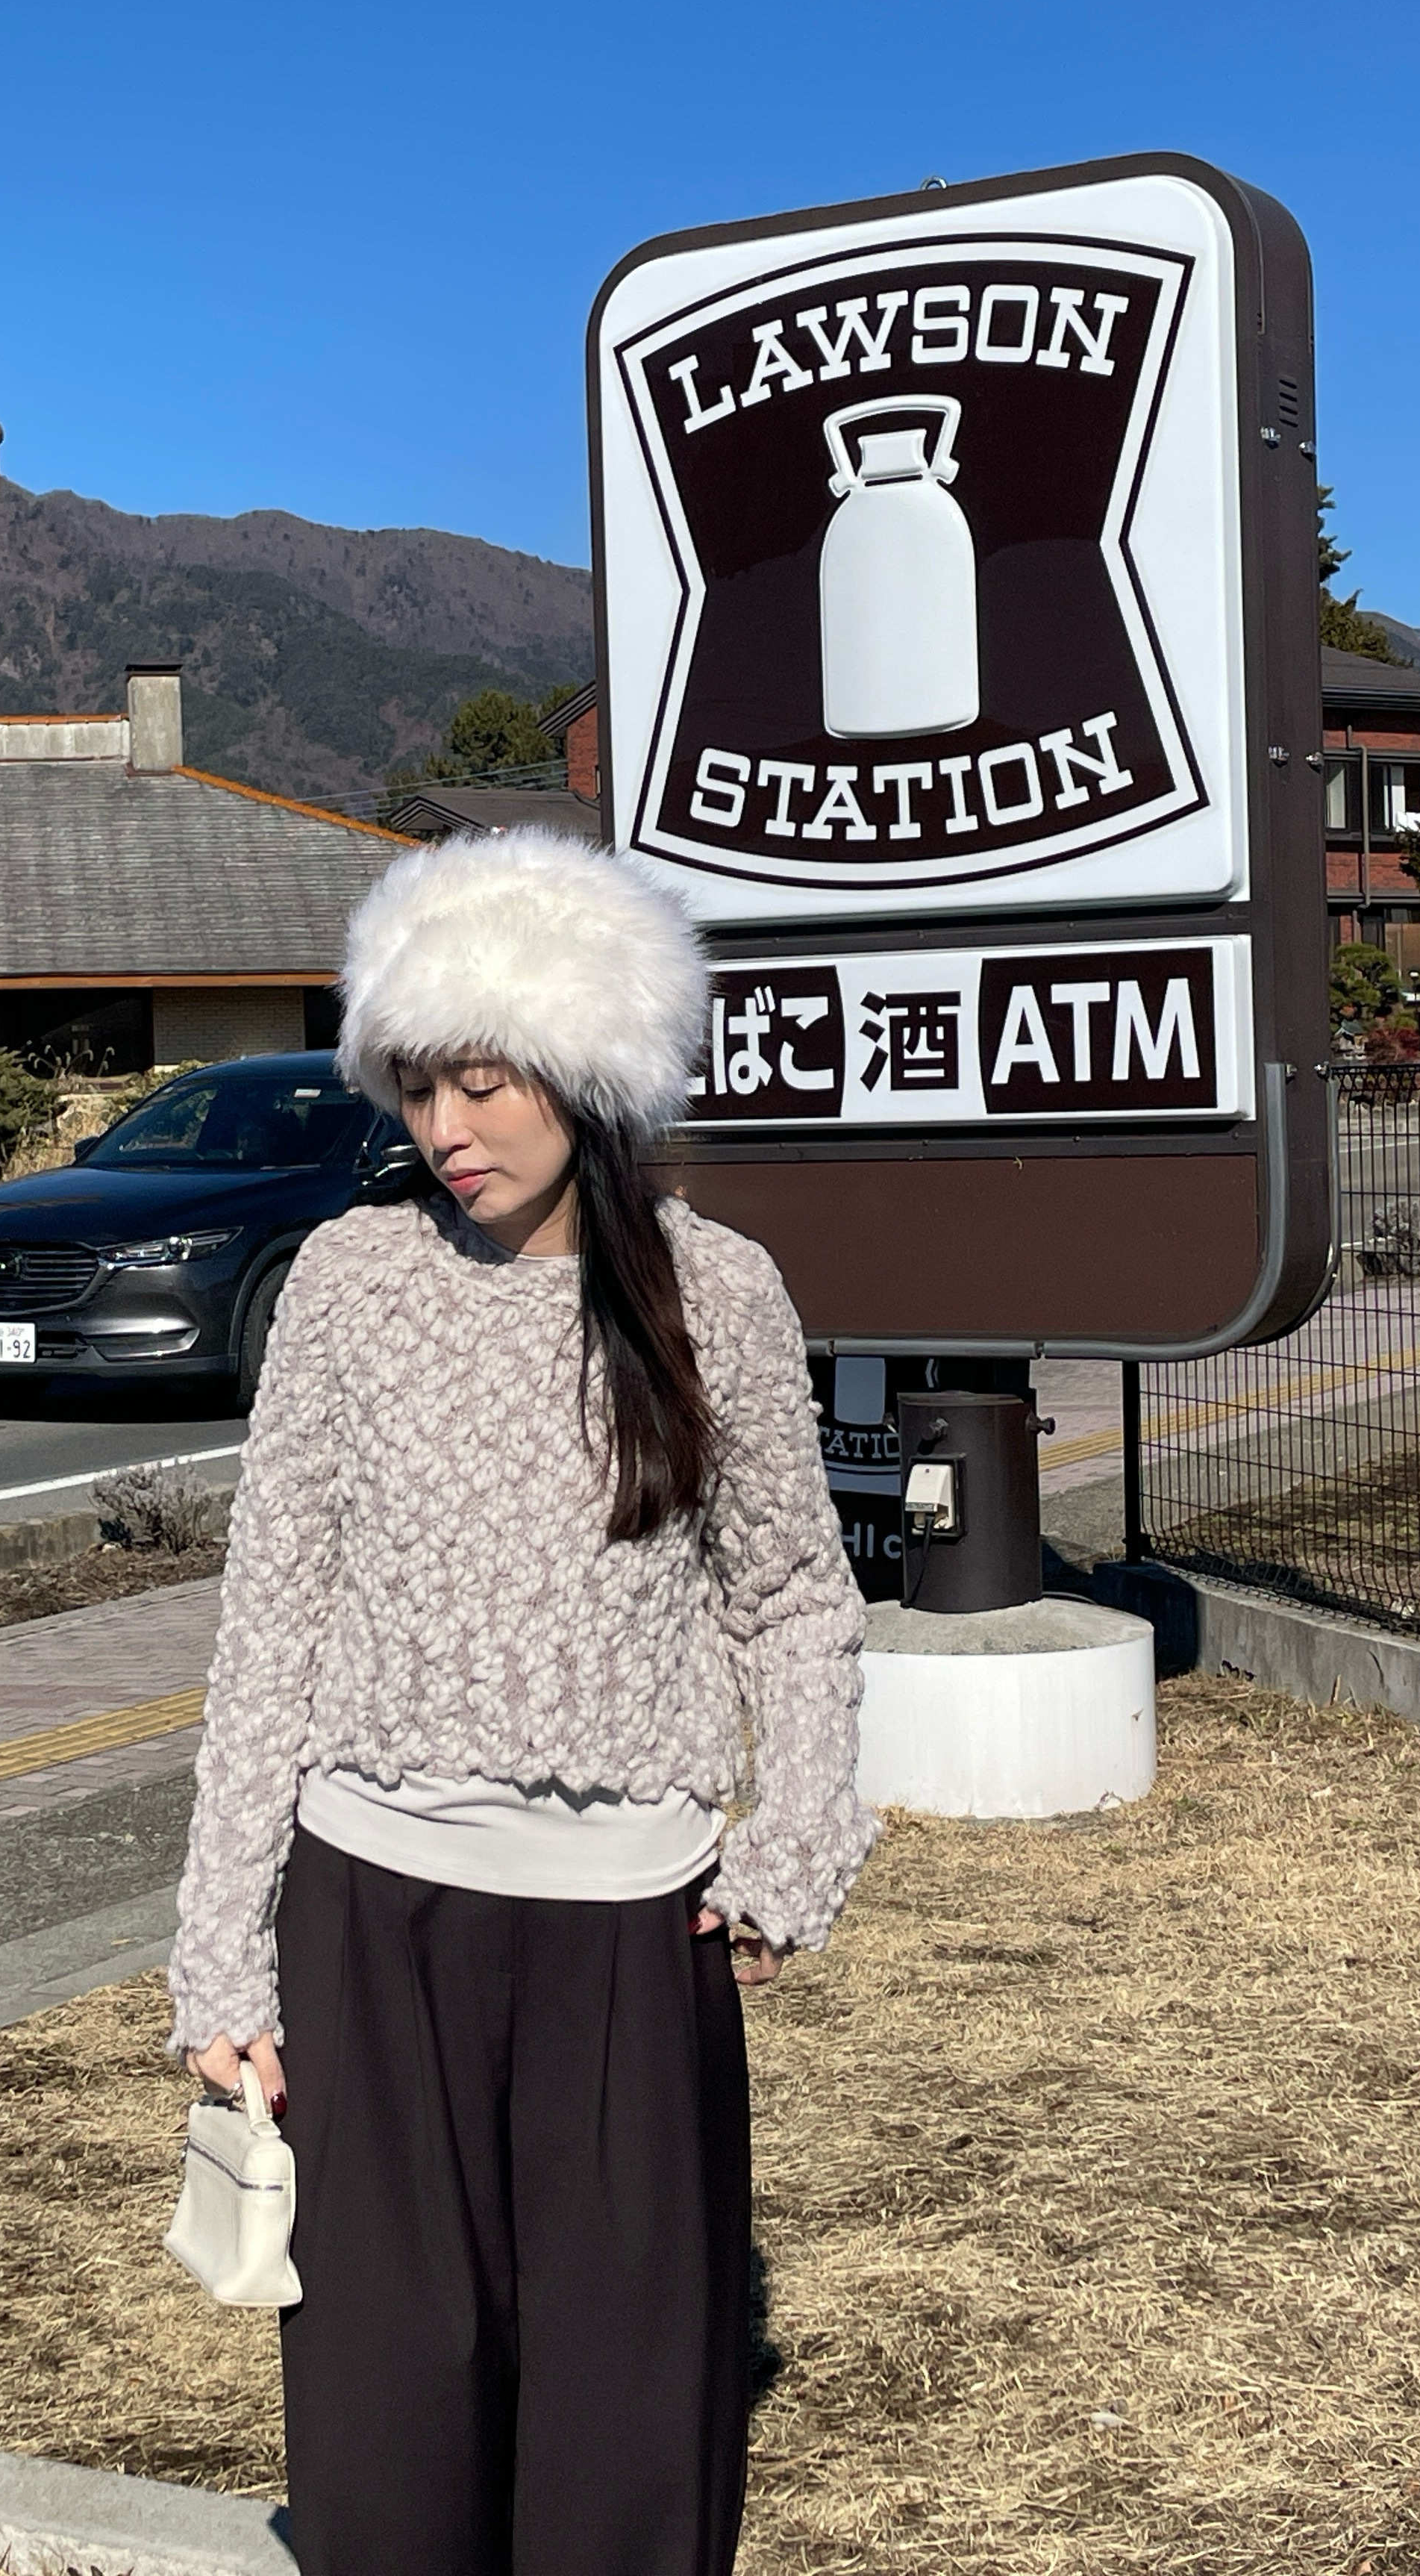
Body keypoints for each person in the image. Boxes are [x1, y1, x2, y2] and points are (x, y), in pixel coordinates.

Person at [166, 829, 875, 2576]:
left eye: (481, 1081)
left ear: (587, 1068)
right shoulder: (348, 1286)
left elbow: (791, 1593)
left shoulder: (719, 1296)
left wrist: (794, 1844)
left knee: (625, 2428)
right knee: (387, 2424)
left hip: (632, 1930)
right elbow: (273, 1624)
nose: (445, 1129)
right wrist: (221, 1956)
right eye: (419, 1087)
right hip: (370, 1916)